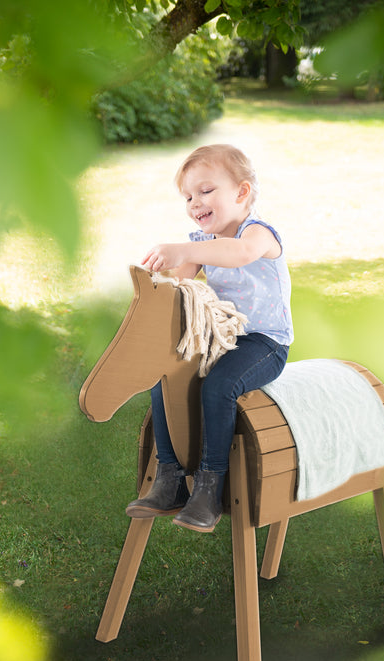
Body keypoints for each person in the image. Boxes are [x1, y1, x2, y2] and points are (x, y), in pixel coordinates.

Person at [126, 144, 293, 532]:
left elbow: (240, 253)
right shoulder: (202, 243)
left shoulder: (257, 234)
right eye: (188, 197)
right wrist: (154, 280)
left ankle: (209, 487)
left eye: (205, 191)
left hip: (265, 342)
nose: (195, 203)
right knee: (165, 375)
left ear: (242, 192)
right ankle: (169, 477)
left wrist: (185, 248)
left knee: (219, 386)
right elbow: (175, 285)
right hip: (224, 339)